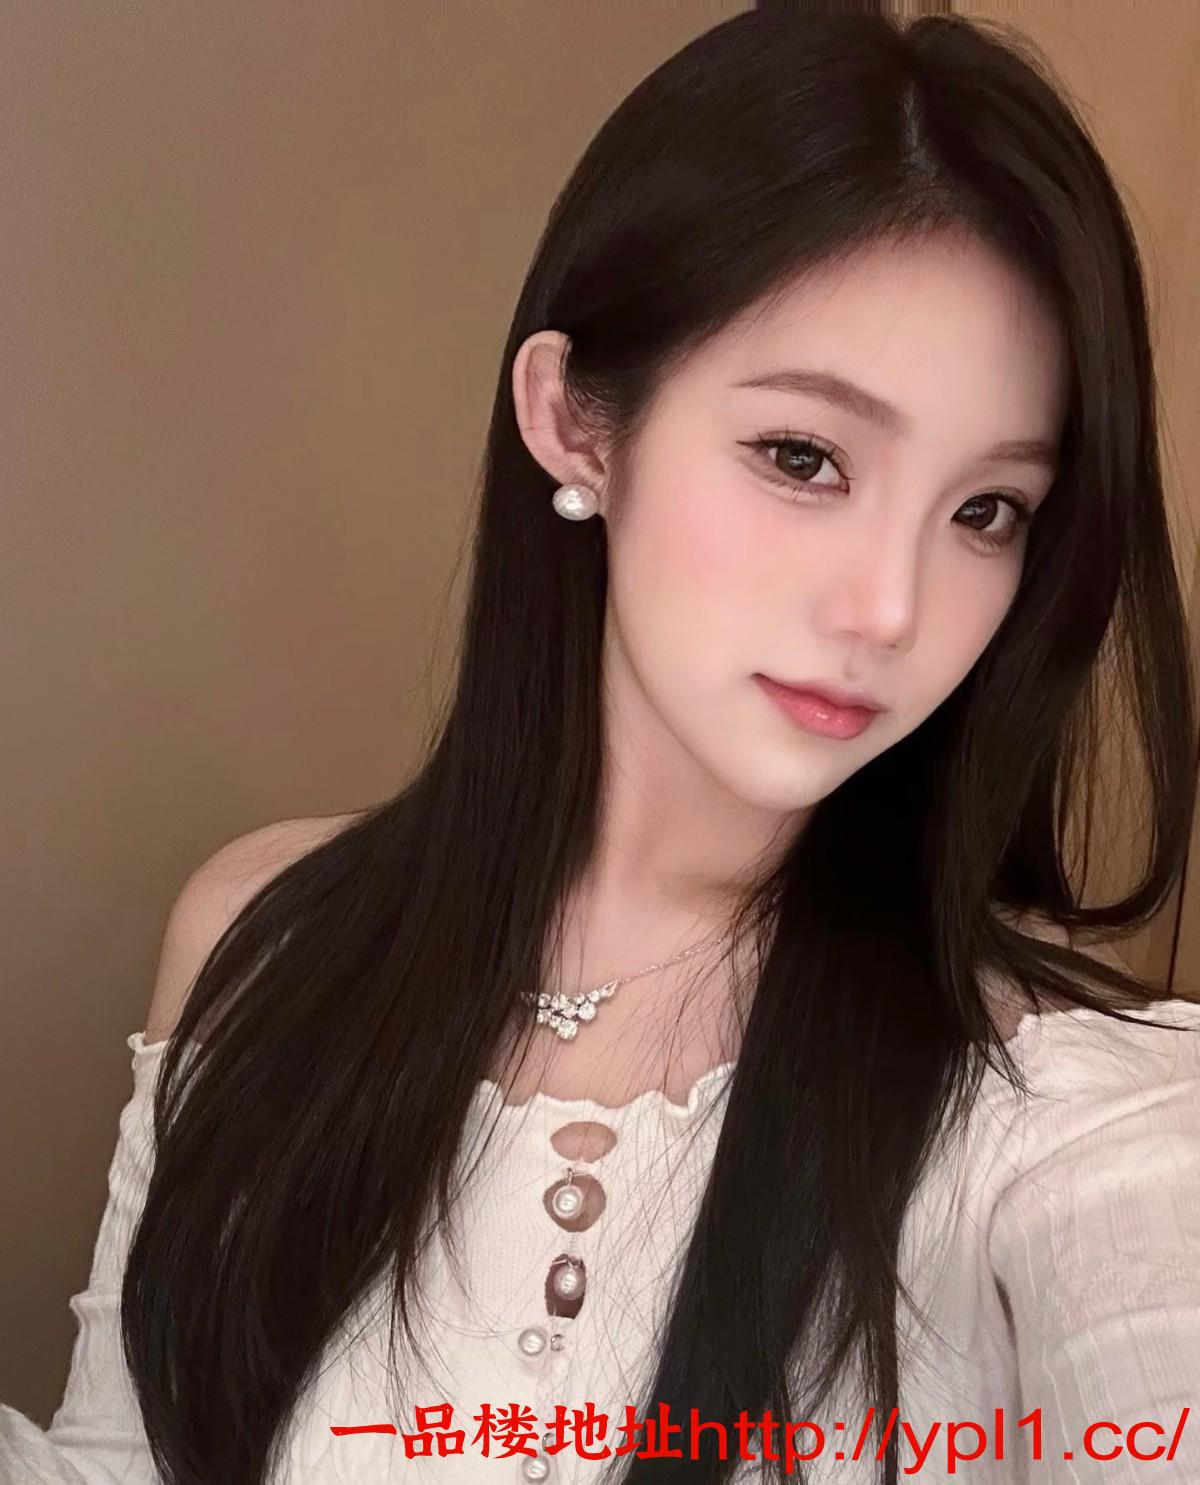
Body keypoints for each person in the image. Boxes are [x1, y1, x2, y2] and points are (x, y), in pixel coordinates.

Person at [4, 8, 1199, 1485]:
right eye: (805, 457)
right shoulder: (266, 941)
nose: (892, 610)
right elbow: (124, 1459)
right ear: (575, 422)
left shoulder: (1069, 1118)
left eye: (986, 510)